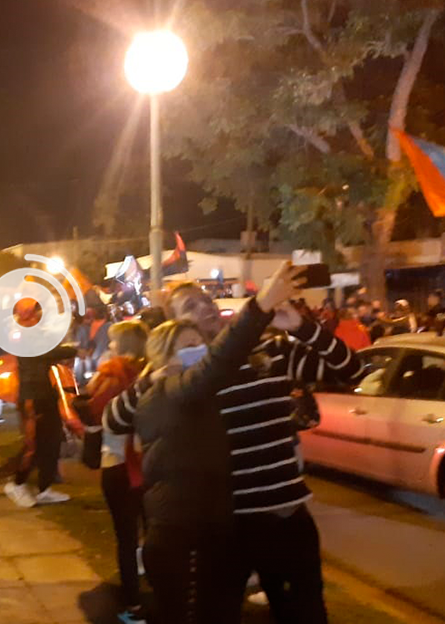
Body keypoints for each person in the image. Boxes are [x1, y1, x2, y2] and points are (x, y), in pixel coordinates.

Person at [111, 266, 365, 623]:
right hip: (224, 526)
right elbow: (116, 418)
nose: (205, 307)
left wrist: (302, 327)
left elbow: (353, 371)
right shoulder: (183, 381)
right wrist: (152, 378)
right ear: (177, 326)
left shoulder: (270, 351)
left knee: (305, 614)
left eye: (205, 299)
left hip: (284, 515)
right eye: (190, 307)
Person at [134, 265, 300, 624]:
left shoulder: (186, 391)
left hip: (214, 530)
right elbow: (216, 364)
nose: (198, 352)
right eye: (188, 348)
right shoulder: (173, 390)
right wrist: (260, 306)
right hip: (184, 539)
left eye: (200, 346)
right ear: (165, 358)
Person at [86, 321, 149, 624]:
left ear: (121, 345)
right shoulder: (150, 375)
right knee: (154, 533)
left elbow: (94, 414)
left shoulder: (110, 376)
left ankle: (133, 605)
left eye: (112, 342)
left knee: (126, 539)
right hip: (150, 464)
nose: (109, 346)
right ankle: (165, 597)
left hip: (117, 463)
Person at [5, 300, 77, 508]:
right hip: (33, 397)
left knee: (52, 441)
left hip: (45, 393)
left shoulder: (37, 333)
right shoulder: (23, 335)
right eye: (37, 312)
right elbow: (48, 351)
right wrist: (72, 349)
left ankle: (44, 488)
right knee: (34, 443)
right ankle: (17, 483)